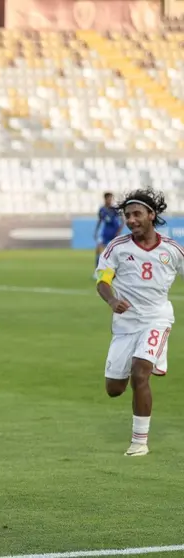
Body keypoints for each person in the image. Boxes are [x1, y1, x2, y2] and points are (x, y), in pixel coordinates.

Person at [95, 188, 183, 457]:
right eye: (127, 215)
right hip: (125, 324)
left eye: (136, 214)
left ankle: (139, 442)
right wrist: (111, 301)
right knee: (114, 389)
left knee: (140, 372)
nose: (131, 220)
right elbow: (103, 282)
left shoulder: (172, 249)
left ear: (151, 215)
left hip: (157, 319)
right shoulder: (117, 248)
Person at [95, 192, 123, 270]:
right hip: (106, 232)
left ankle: (117, 270)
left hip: (114, 233)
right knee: (98, 249)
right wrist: (96, 231)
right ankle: (97, 270)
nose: (110, 200)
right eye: (109, 198)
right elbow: (100, 220)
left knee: (117, 252)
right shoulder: (102, 209)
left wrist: (119, 231)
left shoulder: (115, 209)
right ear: (105, 199)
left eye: (111, 198)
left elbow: (123, 220)